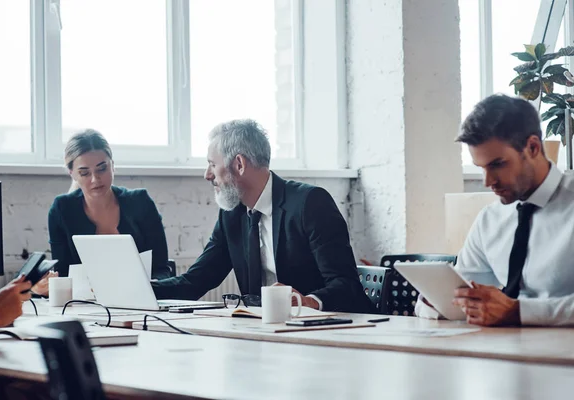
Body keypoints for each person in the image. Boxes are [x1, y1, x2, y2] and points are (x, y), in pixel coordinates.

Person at [152, 119, 371, 313]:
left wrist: (306, 302)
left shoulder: (310, 204)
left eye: (212, 164)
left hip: (331, 330)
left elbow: (346, 285)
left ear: (239, 164)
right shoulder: (232, 215)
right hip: (268, 334)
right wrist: (138, 290)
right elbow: (194, 281)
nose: (207, 175)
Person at [415, 94, 574, 326]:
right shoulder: (490, 219)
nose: (488, 181)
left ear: (532, 147)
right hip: (500, 353)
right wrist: (436, 303)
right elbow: (458, 292)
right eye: (481, 168)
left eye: (497, 164)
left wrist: (519, 311)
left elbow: (510, 310)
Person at [45, 130, 171, 287]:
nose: (95, 179)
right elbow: (63, 273)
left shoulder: (140, 202)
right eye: (84, 173)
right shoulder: (62, 209)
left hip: (142, 298)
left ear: (113, 166)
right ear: (72, 174)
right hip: (85, 304)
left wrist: (150, 287)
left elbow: (161, 269)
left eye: (102, 169)